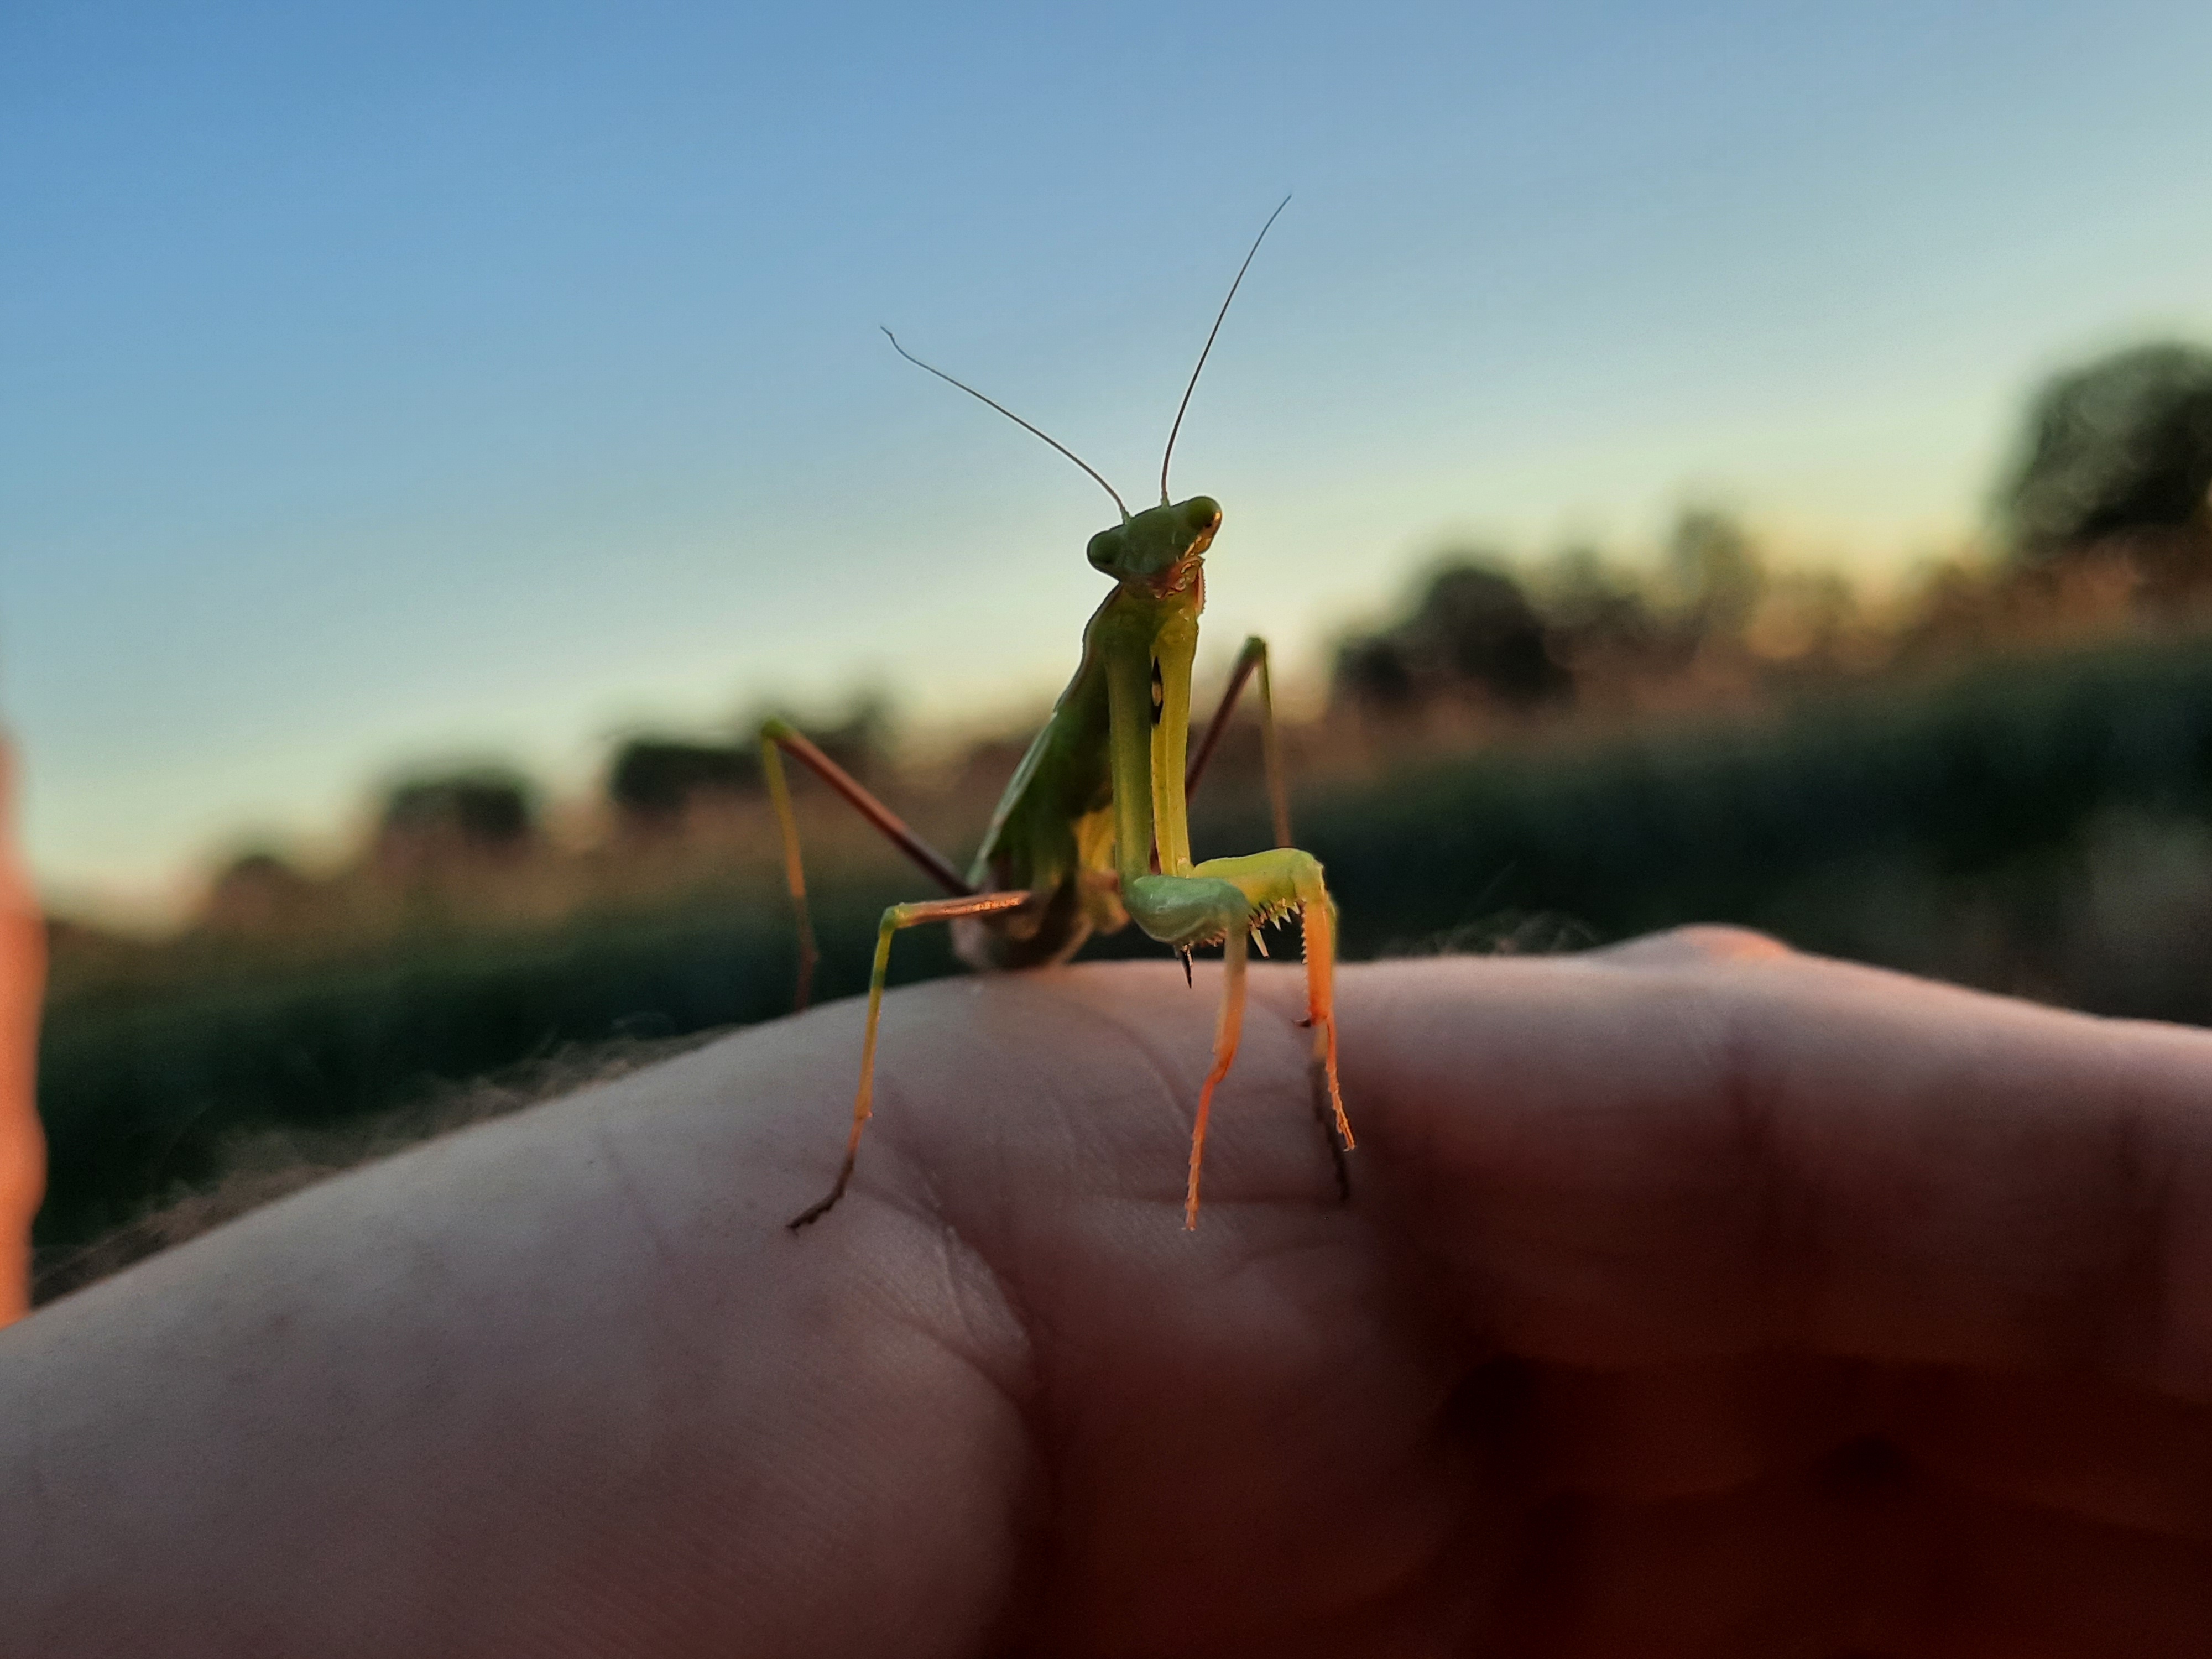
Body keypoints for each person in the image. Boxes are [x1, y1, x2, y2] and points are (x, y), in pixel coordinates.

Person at [2, 930, 2209, 1653]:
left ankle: (1276, 1092)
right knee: (894, 927)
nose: (1171, 592)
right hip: (999, 921)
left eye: (1189, 561)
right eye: (1137, 572)